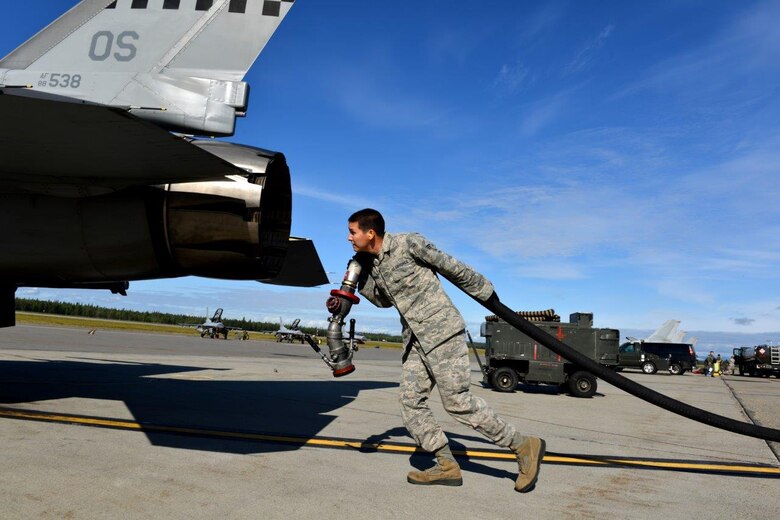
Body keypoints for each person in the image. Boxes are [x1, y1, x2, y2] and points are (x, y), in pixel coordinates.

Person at [332, 208, 545, 492]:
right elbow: (384, 301)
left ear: (370, 233)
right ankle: (446, 464)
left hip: (442, 331)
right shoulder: (371, 263)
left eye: (353, 232)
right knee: (410, 403)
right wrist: (361, 279)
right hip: (415, 340)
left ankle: (523, 446)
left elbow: (449, 265)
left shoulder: (408, 243)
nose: (349, 238)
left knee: (457, 402)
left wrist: (485, 292)